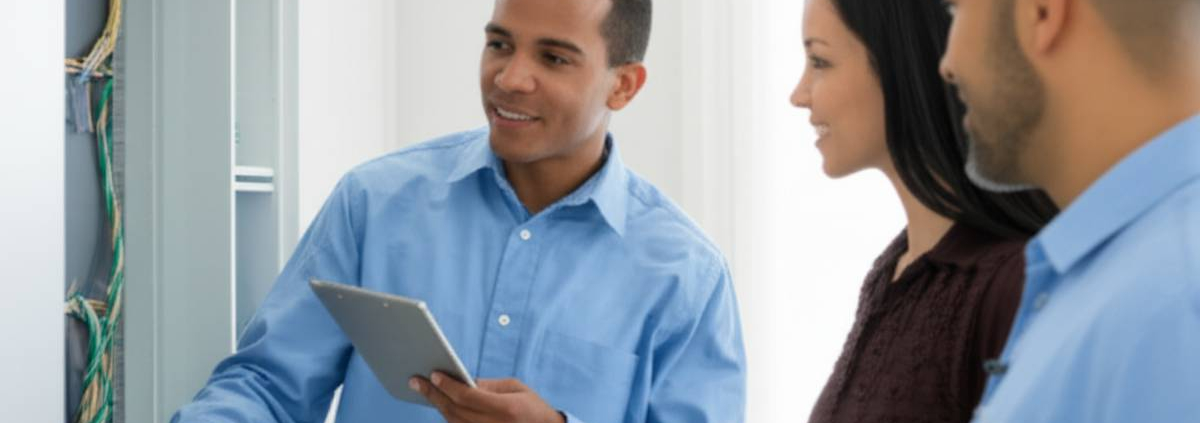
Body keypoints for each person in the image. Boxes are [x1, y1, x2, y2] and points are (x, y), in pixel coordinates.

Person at [171, 0, 746, 422]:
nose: (510, 78)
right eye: (500, 44)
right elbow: (268, 387)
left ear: (623, 86)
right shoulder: (375, 203)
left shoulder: (686, 279)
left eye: (553, 58)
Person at [790, 0, 1059, 421]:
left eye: (820, 61)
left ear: (900, 64)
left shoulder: (1011, 284)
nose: (798, 95)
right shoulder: (892, 271)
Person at [939, 0, 1200, 420]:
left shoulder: (1174, 307)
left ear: (1041, 13)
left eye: (956, 10)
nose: (947, 64)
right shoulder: (1117, 283)